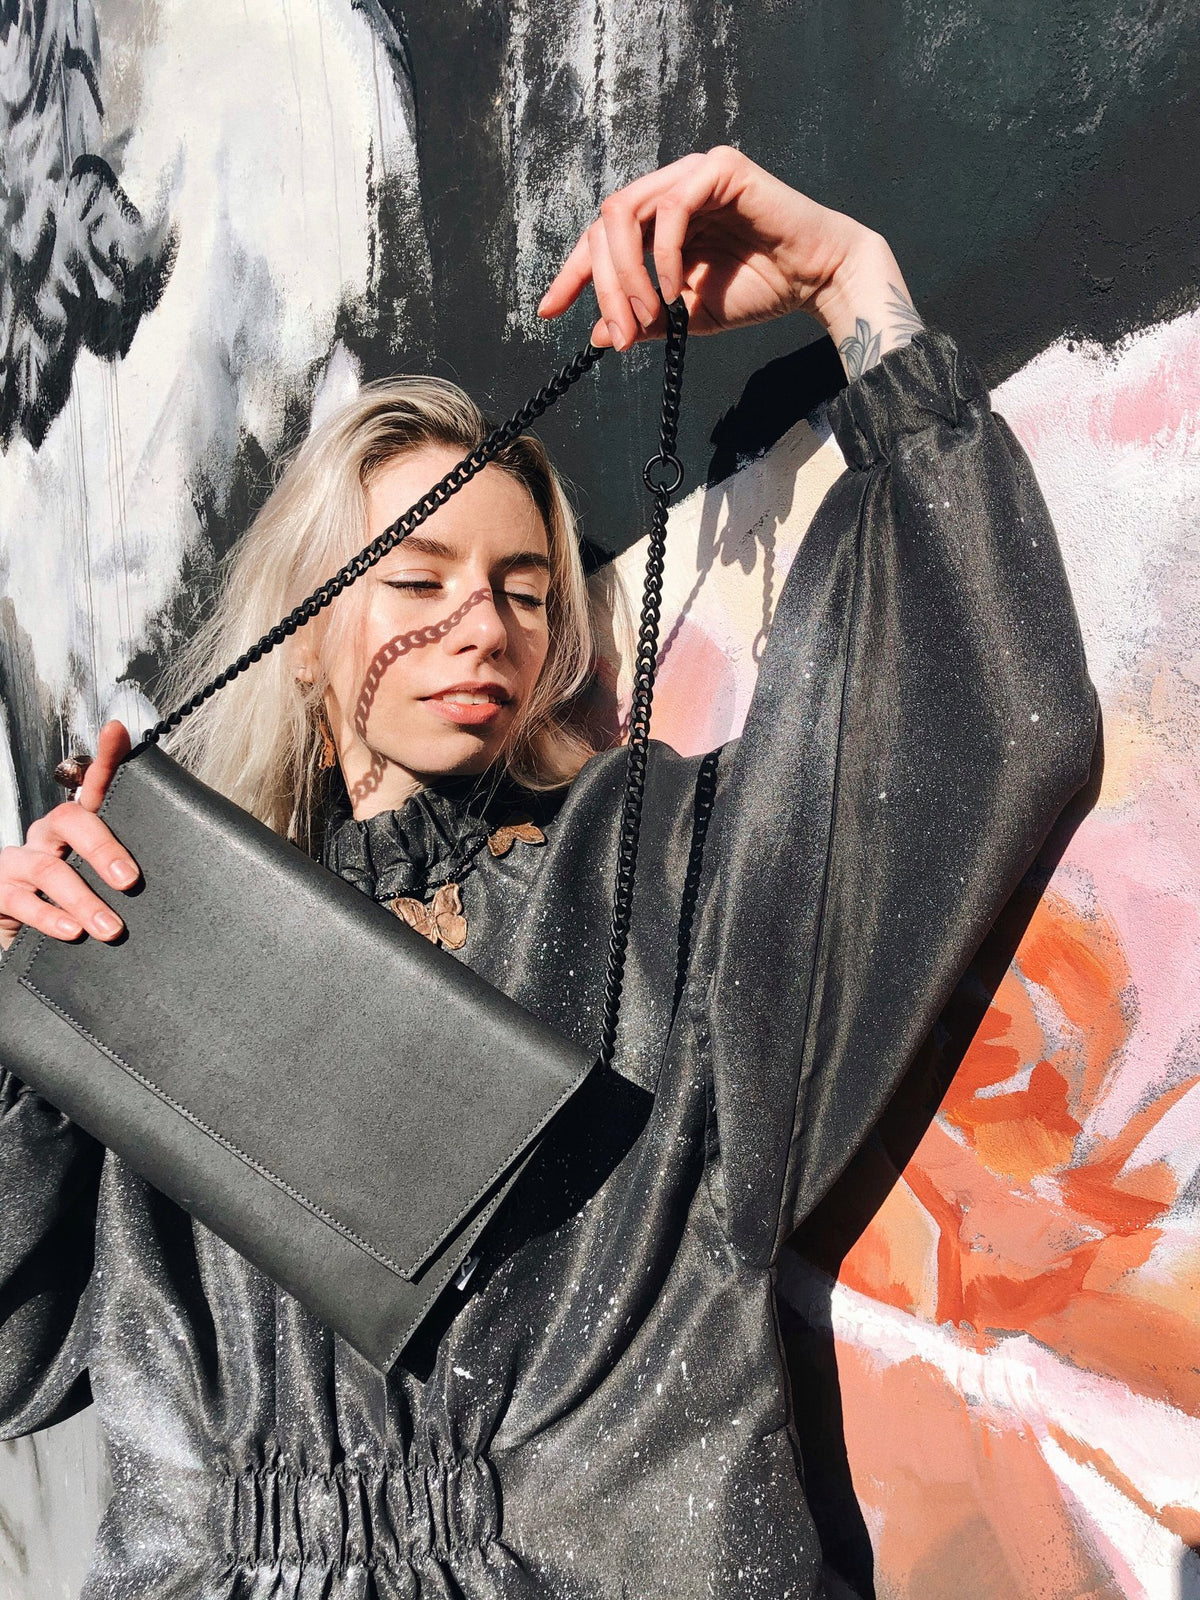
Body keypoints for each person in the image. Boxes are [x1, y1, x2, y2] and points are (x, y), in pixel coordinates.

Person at [0, 148, 1097, 1598]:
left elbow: (965, 736)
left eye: (527, 591)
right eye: (417, 577)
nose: (483, 626)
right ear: (314, 619)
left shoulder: (653, 870)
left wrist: (852, 286)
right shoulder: (167, 923)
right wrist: (28, 1017)